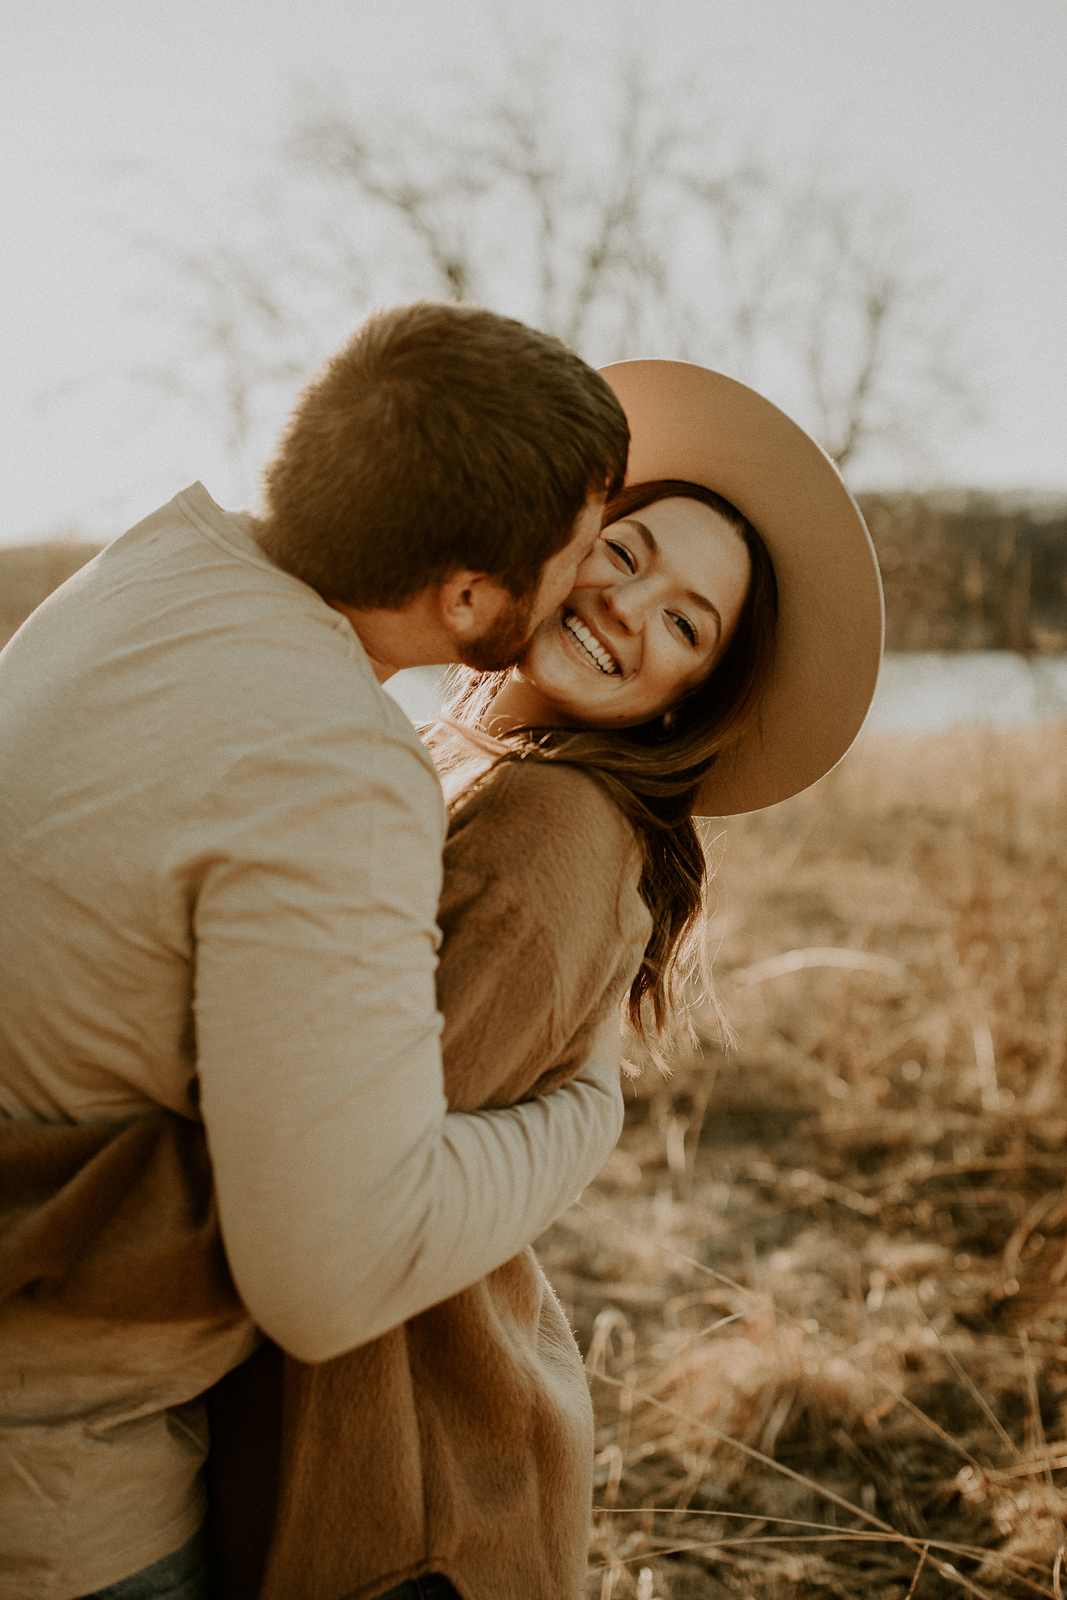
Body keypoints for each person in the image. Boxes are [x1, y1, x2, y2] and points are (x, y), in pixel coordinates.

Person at [0, 358, 883, 1600]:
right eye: (624, 556)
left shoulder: (548, 831)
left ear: (693, 699)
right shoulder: (447, 754)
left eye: (687, 622)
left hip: (399, 1467)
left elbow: (320, 1197)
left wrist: (29, 1204)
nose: (633, 611)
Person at [0, 302, 638, 1600]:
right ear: (469, 597)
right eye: (582, 555)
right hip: (57, 1486)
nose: (596, 591)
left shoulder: (157, 567)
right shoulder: (336, 767)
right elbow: (333, 1275)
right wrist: (584, 1114)